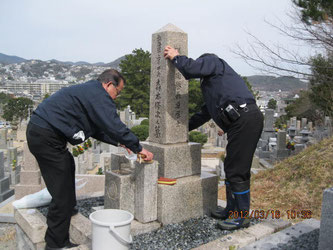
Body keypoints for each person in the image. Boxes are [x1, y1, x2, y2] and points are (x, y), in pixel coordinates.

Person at [26, 69, 153, 249]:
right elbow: (114, 125)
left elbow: (97, 129)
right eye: (118, 92)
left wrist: (120, 143)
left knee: (68, 166)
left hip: (43, 133)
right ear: (109, 85)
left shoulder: (91, 92)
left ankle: (68, 207)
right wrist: (138, 147)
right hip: (45, 136)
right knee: (60, 191)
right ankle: (55, 244)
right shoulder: (99, 95)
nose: (117, 97)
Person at [164, 46, 263, 230]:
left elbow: (191, 69)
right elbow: (203, 114)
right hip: (239, 122)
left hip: (245, 118)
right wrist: (180, 130)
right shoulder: (214, 88)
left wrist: (176, 57)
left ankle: (242, 216)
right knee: (231, 166)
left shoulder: (213, 61)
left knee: (236, 169)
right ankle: (231, 210)